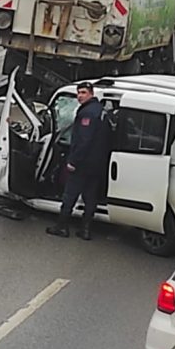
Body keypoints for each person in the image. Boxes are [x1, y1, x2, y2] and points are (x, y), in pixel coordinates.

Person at [46, 82, 112, 241]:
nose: (80, 96)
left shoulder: (87, 113)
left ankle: (61, 226)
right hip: (97, 164)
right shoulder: (101, 111)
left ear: (91, 93)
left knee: (70, 195)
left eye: (83, 92)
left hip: (83, 164)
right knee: (90, 197)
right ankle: (86, 230)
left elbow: (84, 140)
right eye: (78, 93)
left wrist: (73, 161)